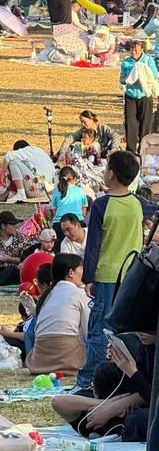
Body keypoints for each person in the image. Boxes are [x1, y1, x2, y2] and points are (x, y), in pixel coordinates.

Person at [77, 150, 155, 389]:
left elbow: (93, 245)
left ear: (110, 173)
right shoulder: (139, 204)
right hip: (132, 277)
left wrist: (88, 277)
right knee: (125, 329)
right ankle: (119, 378)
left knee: (100, 330)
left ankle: (88, 381)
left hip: (107, 274)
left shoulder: (101, 205)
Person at [24, 254, 89, 375]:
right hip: (68, 357)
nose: (84, 272)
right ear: (71, 272)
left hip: (40, 359)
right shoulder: (79, 293)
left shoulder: (47, 295)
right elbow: (88, 331)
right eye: (81, 268)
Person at [121, 37, 158, 153]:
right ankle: (130, 150)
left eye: (136, 49)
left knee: (145, 123)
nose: (133, 51)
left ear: (142, 50)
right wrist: (127, 79)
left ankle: (143, 148)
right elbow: (122, 78)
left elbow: (154, 75)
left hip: (144, 95)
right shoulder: (126, 62)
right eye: (132, 49)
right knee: (130, 122)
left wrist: (142, 75)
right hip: (130, 95)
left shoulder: (148, 60)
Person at [57, 110, 121, 162]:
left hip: (105, 156)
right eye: (81, 122)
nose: (82, 124)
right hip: (89, 158)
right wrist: (62, 153)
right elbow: (69, 139)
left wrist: (114, 149)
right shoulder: (83, 131)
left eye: (84, 122)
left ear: (91, 119)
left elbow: (115, 136)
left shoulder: (103, 128)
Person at [0, 210, 30, 285]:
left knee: (12, 270)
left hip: (13, 270)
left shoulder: (21, 238)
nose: (15, 227)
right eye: (12, 224)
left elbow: (27, 259)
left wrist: (9, 259)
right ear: (3, 226)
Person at [18, 230, 56, 295]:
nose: (50, 244)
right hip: (31, 275)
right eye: (47, 242)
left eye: (52, 242)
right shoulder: (33, 250)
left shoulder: (56, 252)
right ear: (41, 241)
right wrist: (23, 263)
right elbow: (24, 259)